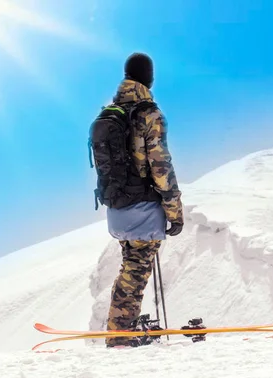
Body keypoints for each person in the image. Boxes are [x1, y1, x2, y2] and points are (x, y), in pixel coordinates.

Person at [103, 52, 184, 347]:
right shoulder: (148, 113)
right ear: (148, 78)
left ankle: (120, 324)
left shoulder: (111, 111)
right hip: (143, 206)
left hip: (117, 206)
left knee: (130, 263)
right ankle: (120, 332)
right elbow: (160, 166)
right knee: (136, 266)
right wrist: (175, 212)